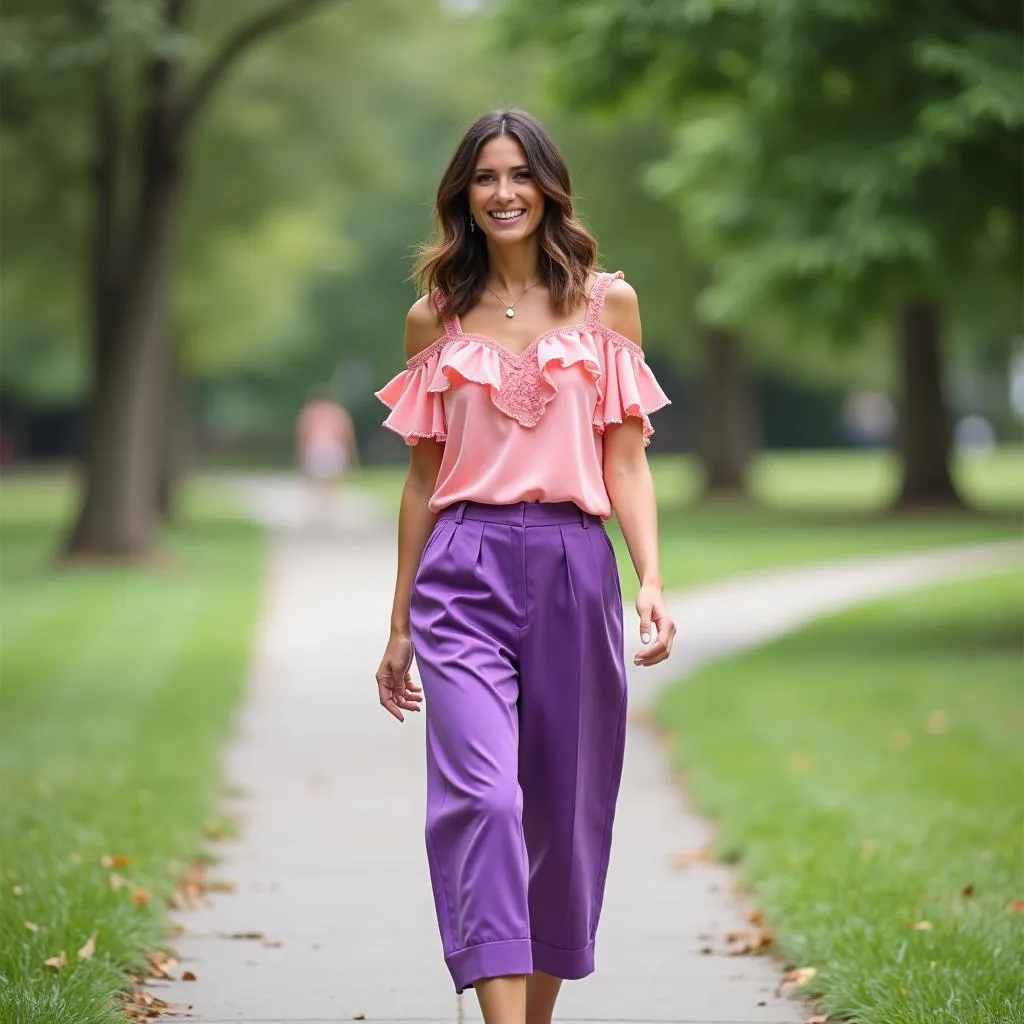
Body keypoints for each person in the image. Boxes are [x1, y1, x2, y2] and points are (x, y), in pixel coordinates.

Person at [373, 108, 676, 1024]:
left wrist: (650, 577)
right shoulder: (434, 316)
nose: (503, 193)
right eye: (484, 178)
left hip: (576, 568)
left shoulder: (605, 303)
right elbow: (423, 478)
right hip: (462, 570)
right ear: (463, 193)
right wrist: (397, 626)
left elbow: (626, 458)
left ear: (549, 186)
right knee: (483, 801)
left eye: (519, 175)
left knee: (562, 817)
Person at [295, 392, 358, 524]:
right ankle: (329, 509)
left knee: (316, 482)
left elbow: (303, 434)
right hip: (334, 449)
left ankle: (318, 511)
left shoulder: (310, 412)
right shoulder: (338, 413)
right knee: (333, 483)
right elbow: (347, 435)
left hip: (315, 448)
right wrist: (352, 456)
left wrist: (300, 454)